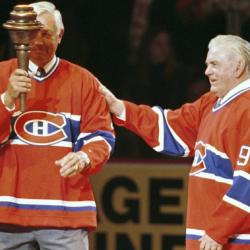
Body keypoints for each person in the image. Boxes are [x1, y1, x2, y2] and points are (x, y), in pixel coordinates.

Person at [99, 34, 250, 250]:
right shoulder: (212, 102)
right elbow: (172, 128)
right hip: (208, 237)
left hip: (233, 241)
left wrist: (219, 231)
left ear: (238, 67)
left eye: (214, 64)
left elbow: (248, 182)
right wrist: (120, 108)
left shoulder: (246, 109)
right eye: (207, 65)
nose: (207, 71)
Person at [0, 1, 115, 250]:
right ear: (20, 34)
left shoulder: (83, 81)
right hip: (7, 212)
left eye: (46, 34)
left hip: (65, 213)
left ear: (60, 36)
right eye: (32, 33)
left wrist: (85, 157)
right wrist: (7, 100)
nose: (39, 41)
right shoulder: (2, 75)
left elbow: (101, 135)